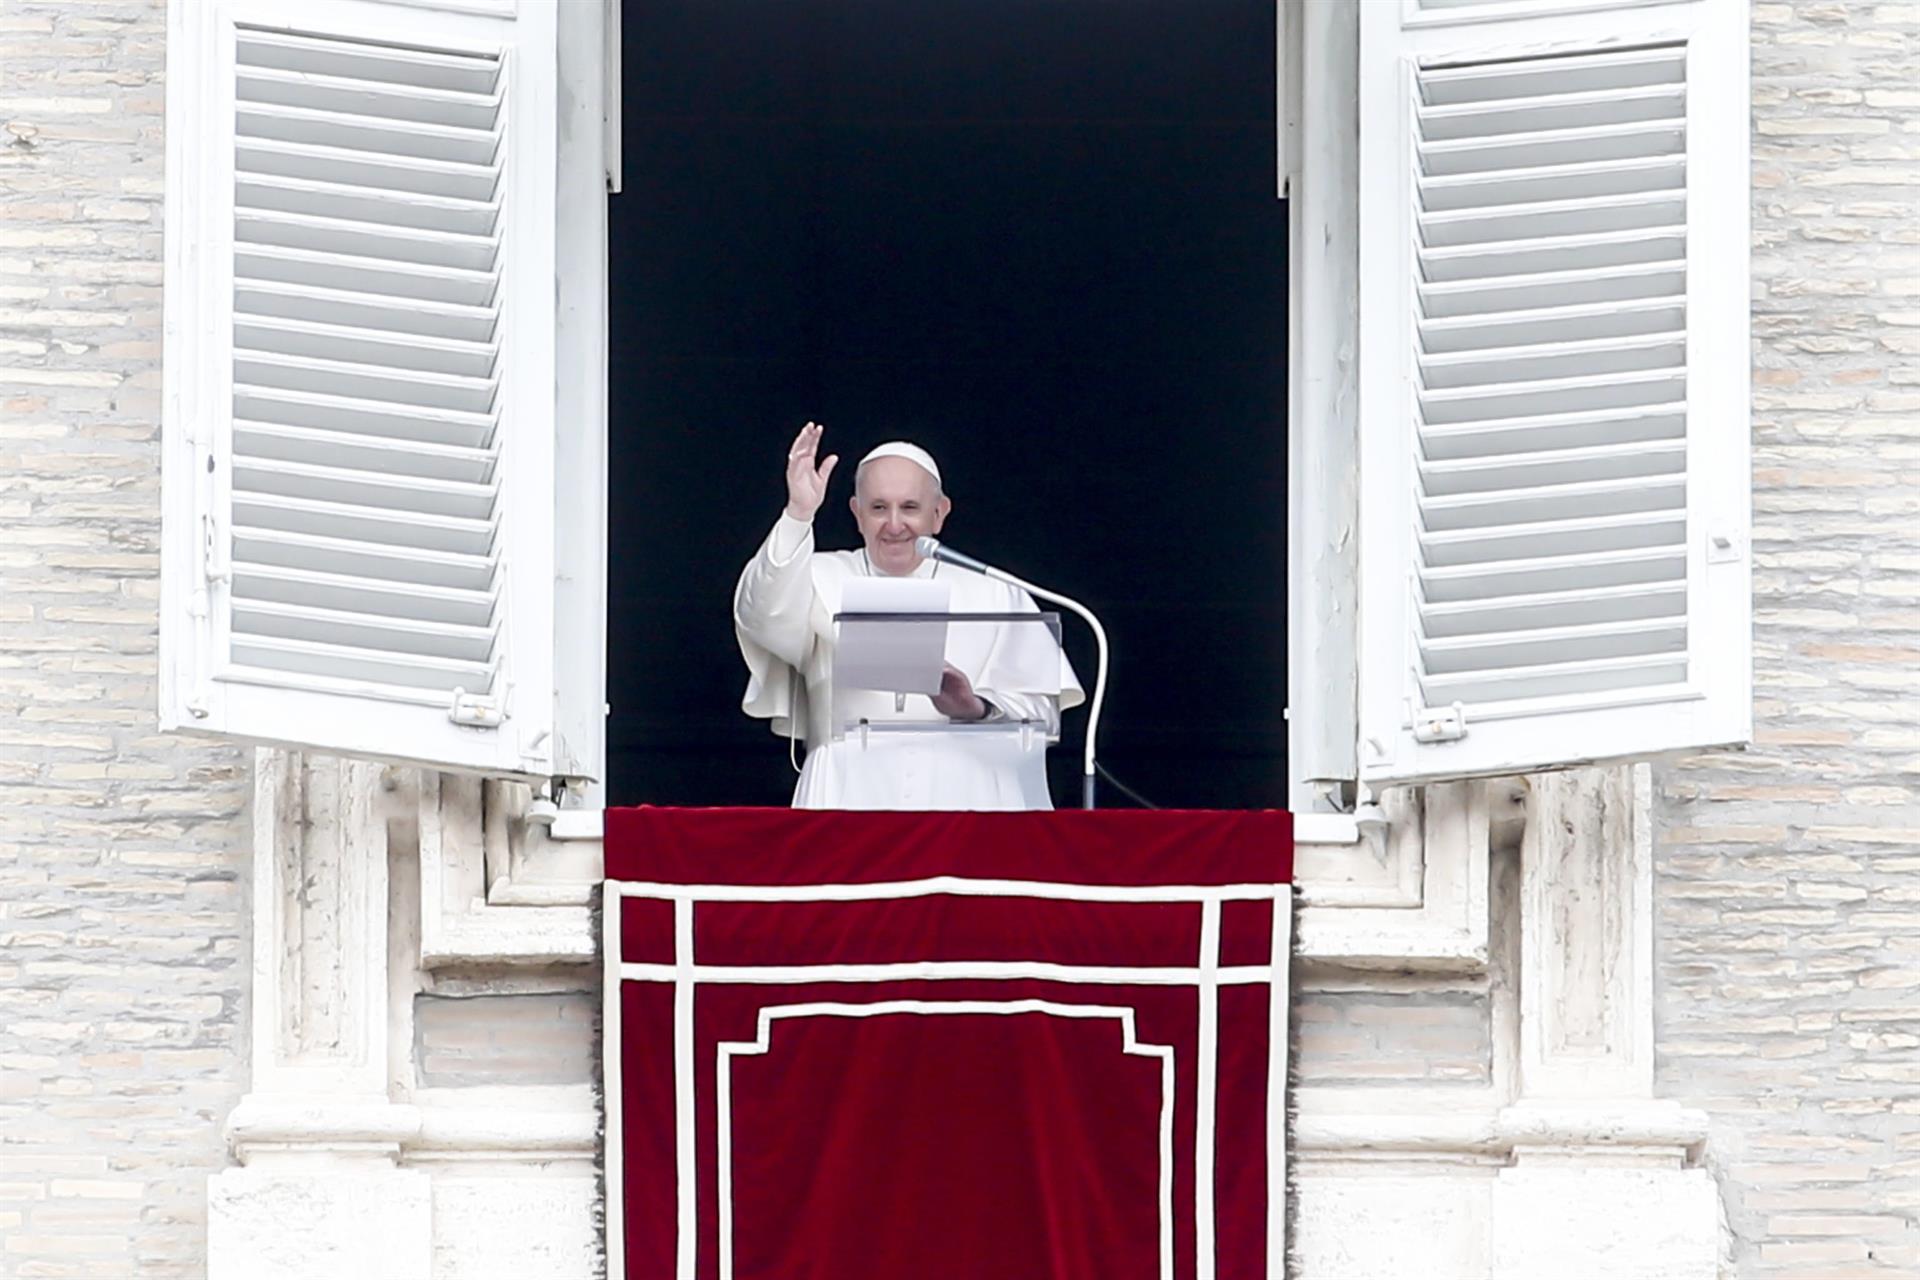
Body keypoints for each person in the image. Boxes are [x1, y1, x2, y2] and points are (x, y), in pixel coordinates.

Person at [734, 422, 1084, 809]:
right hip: (846, 793)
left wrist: (975, 707)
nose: (895, 525)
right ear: (857, 513)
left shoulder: (996, 591)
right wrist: (799, 514)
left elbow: (1042, 717)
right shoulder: (818, 577)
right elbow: (761, 614)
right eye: (879, 508)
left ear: (939, 513)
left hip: (967, 798)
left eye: (910, 508)